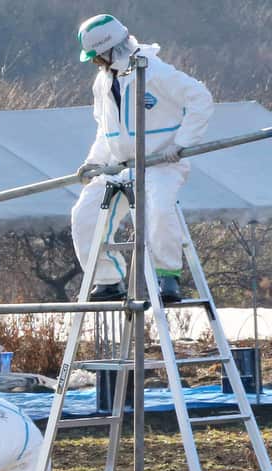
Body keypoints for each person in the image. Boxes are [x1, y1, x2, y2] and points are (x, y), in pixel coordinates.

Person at [71, 14, 214, 304]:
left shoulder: (157, 72)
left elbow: (201, 98)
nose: (97, 63)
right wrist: (95, 161)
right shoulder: (103, 82)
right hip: (122, 165)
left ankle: (167, 276)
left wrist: (181, 144)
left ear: (112, 49)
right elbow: (106, 128)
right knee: (84, 213)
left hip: (161, 164)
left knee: (160, 210)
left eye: (98, 57)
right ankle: (108, 280)